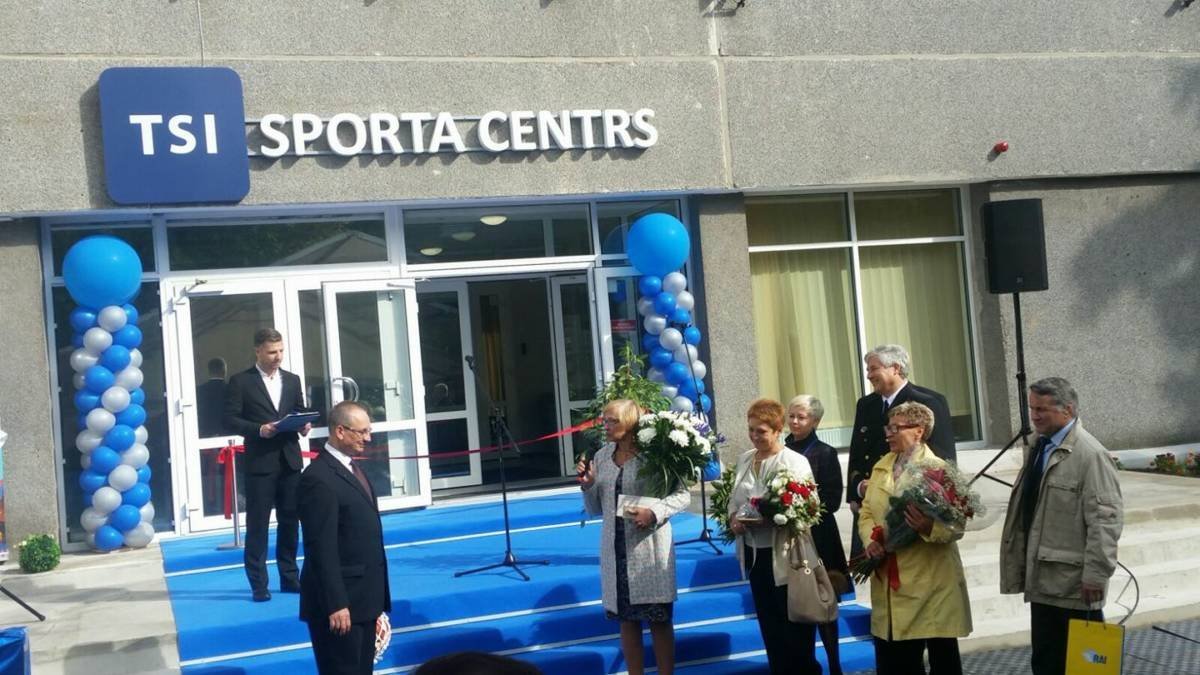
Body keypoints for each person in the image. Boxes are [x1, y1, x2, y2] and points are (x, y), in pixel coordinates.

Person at [999, 378, 1123, 675]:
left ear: (1067, 410)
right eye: (1032, 408)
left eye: (1041, 409)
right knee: (1047, 661)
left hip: (1074, 584)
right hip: (1043, 578)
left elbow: (1105, 521)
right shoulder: (1039, 446)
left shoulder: (1090, 455)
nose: (1034, 416)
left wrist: (1096, 575)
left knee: (1085, 666)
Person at [577, 399, 690, 675]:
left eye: (613, 421)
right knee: (627, 621)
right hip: (615, 548)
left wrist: (654, 513)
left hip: (648, 548)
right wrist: (588, 486)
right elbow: (595, 508)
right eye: (604, 420)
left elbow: (682, 495)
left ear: (630, 423)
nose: (606, 426)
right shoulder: (602, 456)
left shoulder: (655, 454)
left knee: (659, 620)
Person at [859, 401, 971, 675]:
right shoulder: (882, 465)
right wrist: (871, 541)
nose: (888, 434)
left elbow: (957, 525)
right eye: (887, 428)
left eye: (895, 428)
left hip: (930, 583)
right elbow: (866, 512)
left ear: (919, 431)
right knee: (894, 661)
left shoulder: (938, 470)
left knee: (942, 660)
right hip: (889, 580)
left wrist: (928, 526)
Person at [727, 398, 821, 675]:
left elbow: (810, 507)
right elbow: (733, 500)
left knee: (794, 626)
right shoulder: (745, 459)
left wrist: (774, 518)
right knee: (770, 626)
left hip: (786, 555)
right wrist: (734, 519)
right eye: (751, 430)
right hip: (755, 552)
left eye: (761, 431)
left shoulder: (794, 461)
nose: (755, 436)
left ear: (778, 431)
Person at [298, 401, 390, 675]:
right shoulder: (318, 478)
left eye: (369, 431)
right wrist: (336, 603)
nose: (368, 438)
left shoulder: (353, 468)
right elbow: (320, 548)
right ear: (340, 431)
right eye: (361, 432)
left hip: (363, 600)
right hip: (340, 607)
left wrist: (377, 602)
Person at [223, 328, 311, 602]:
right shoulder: (241, 381)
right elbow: (230, 419)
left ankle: (290, 577)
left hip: (290, 459)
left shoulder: (293, 380)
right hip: (260, 462)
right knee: (258, 525)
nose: (278, 356)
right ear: (258, 350)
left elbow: (299, 409)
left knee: (290, 521)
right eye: (272, 352)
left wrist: (304, 424)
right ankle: (259, 584)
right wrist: (259, 429)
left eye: (281, 351)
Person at [847, 344, 956, 558]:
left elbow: (943, 456)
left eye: (873, 369)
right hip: (870, 507)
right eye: (868, 370)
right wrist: (856, 490)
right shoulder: (865, 405)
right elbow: (857, 454)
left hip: (909, 512)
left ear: (895, 368)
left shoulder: (928, 401)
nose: (868, 376)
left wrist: (924, 501)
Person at [784, 395, 848, 675]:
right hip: (788, 535)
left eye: (802, 417)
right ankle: (805, 664)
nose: (795, 422)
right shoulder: (781, 449)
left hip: (820, 535)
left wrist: (799, 508)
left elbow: (832, 500)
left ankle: (834, 664)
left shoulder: (825, 452)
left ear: (816, 421)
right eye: (792, 416)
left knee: (825, 598)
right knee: (798, 601)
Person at [196, 357, 227, 438]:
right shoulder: (232, 390)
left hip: (205, 435)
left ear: (209, 372)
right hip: (227, 435)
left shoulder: (198, 391)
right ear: (224, 371)